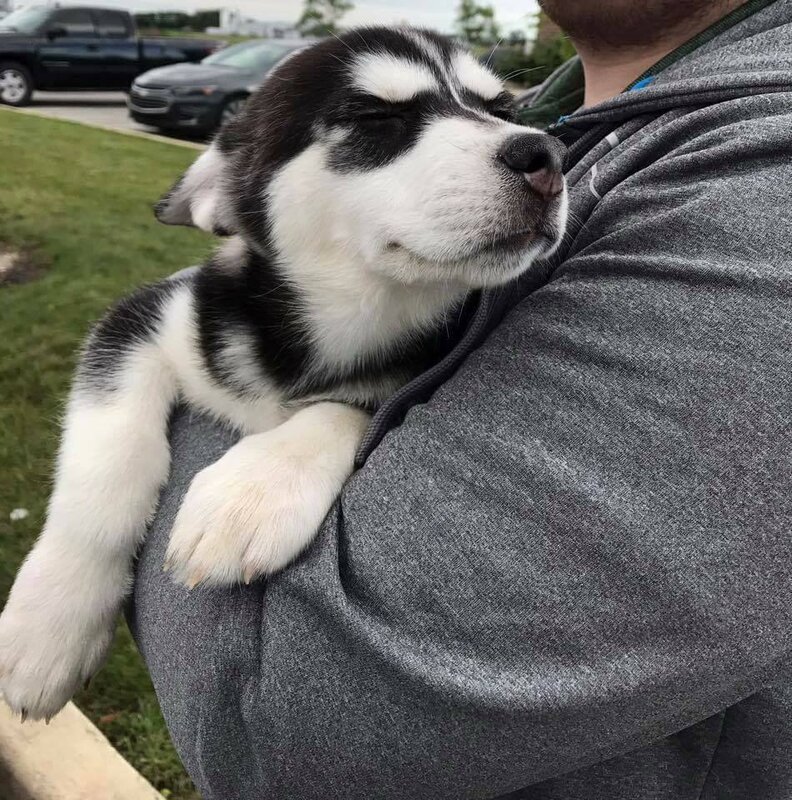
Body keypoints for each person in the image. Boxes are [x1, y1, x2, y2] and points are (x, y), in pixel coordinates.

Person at [130, 1, 792, 797]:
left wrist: (224, 375)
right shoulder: (573, 109)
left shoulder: (762, 177)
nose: (518, 144)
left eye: (495, 112)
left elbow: (278, 724)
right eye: (375, 116)